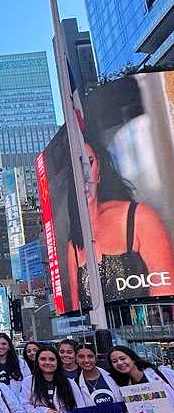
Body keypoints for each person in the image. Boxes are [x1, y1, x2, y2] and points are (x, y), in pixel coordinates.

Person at [66, 125, 174, 312]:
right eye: (77, 167)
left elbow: (168, 295)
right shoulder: (74, 245)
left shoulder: (139, 216)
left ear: (98, 169)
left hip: (152, 336)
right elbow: (78, 313)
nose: (84, 175)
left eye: (89, 162)